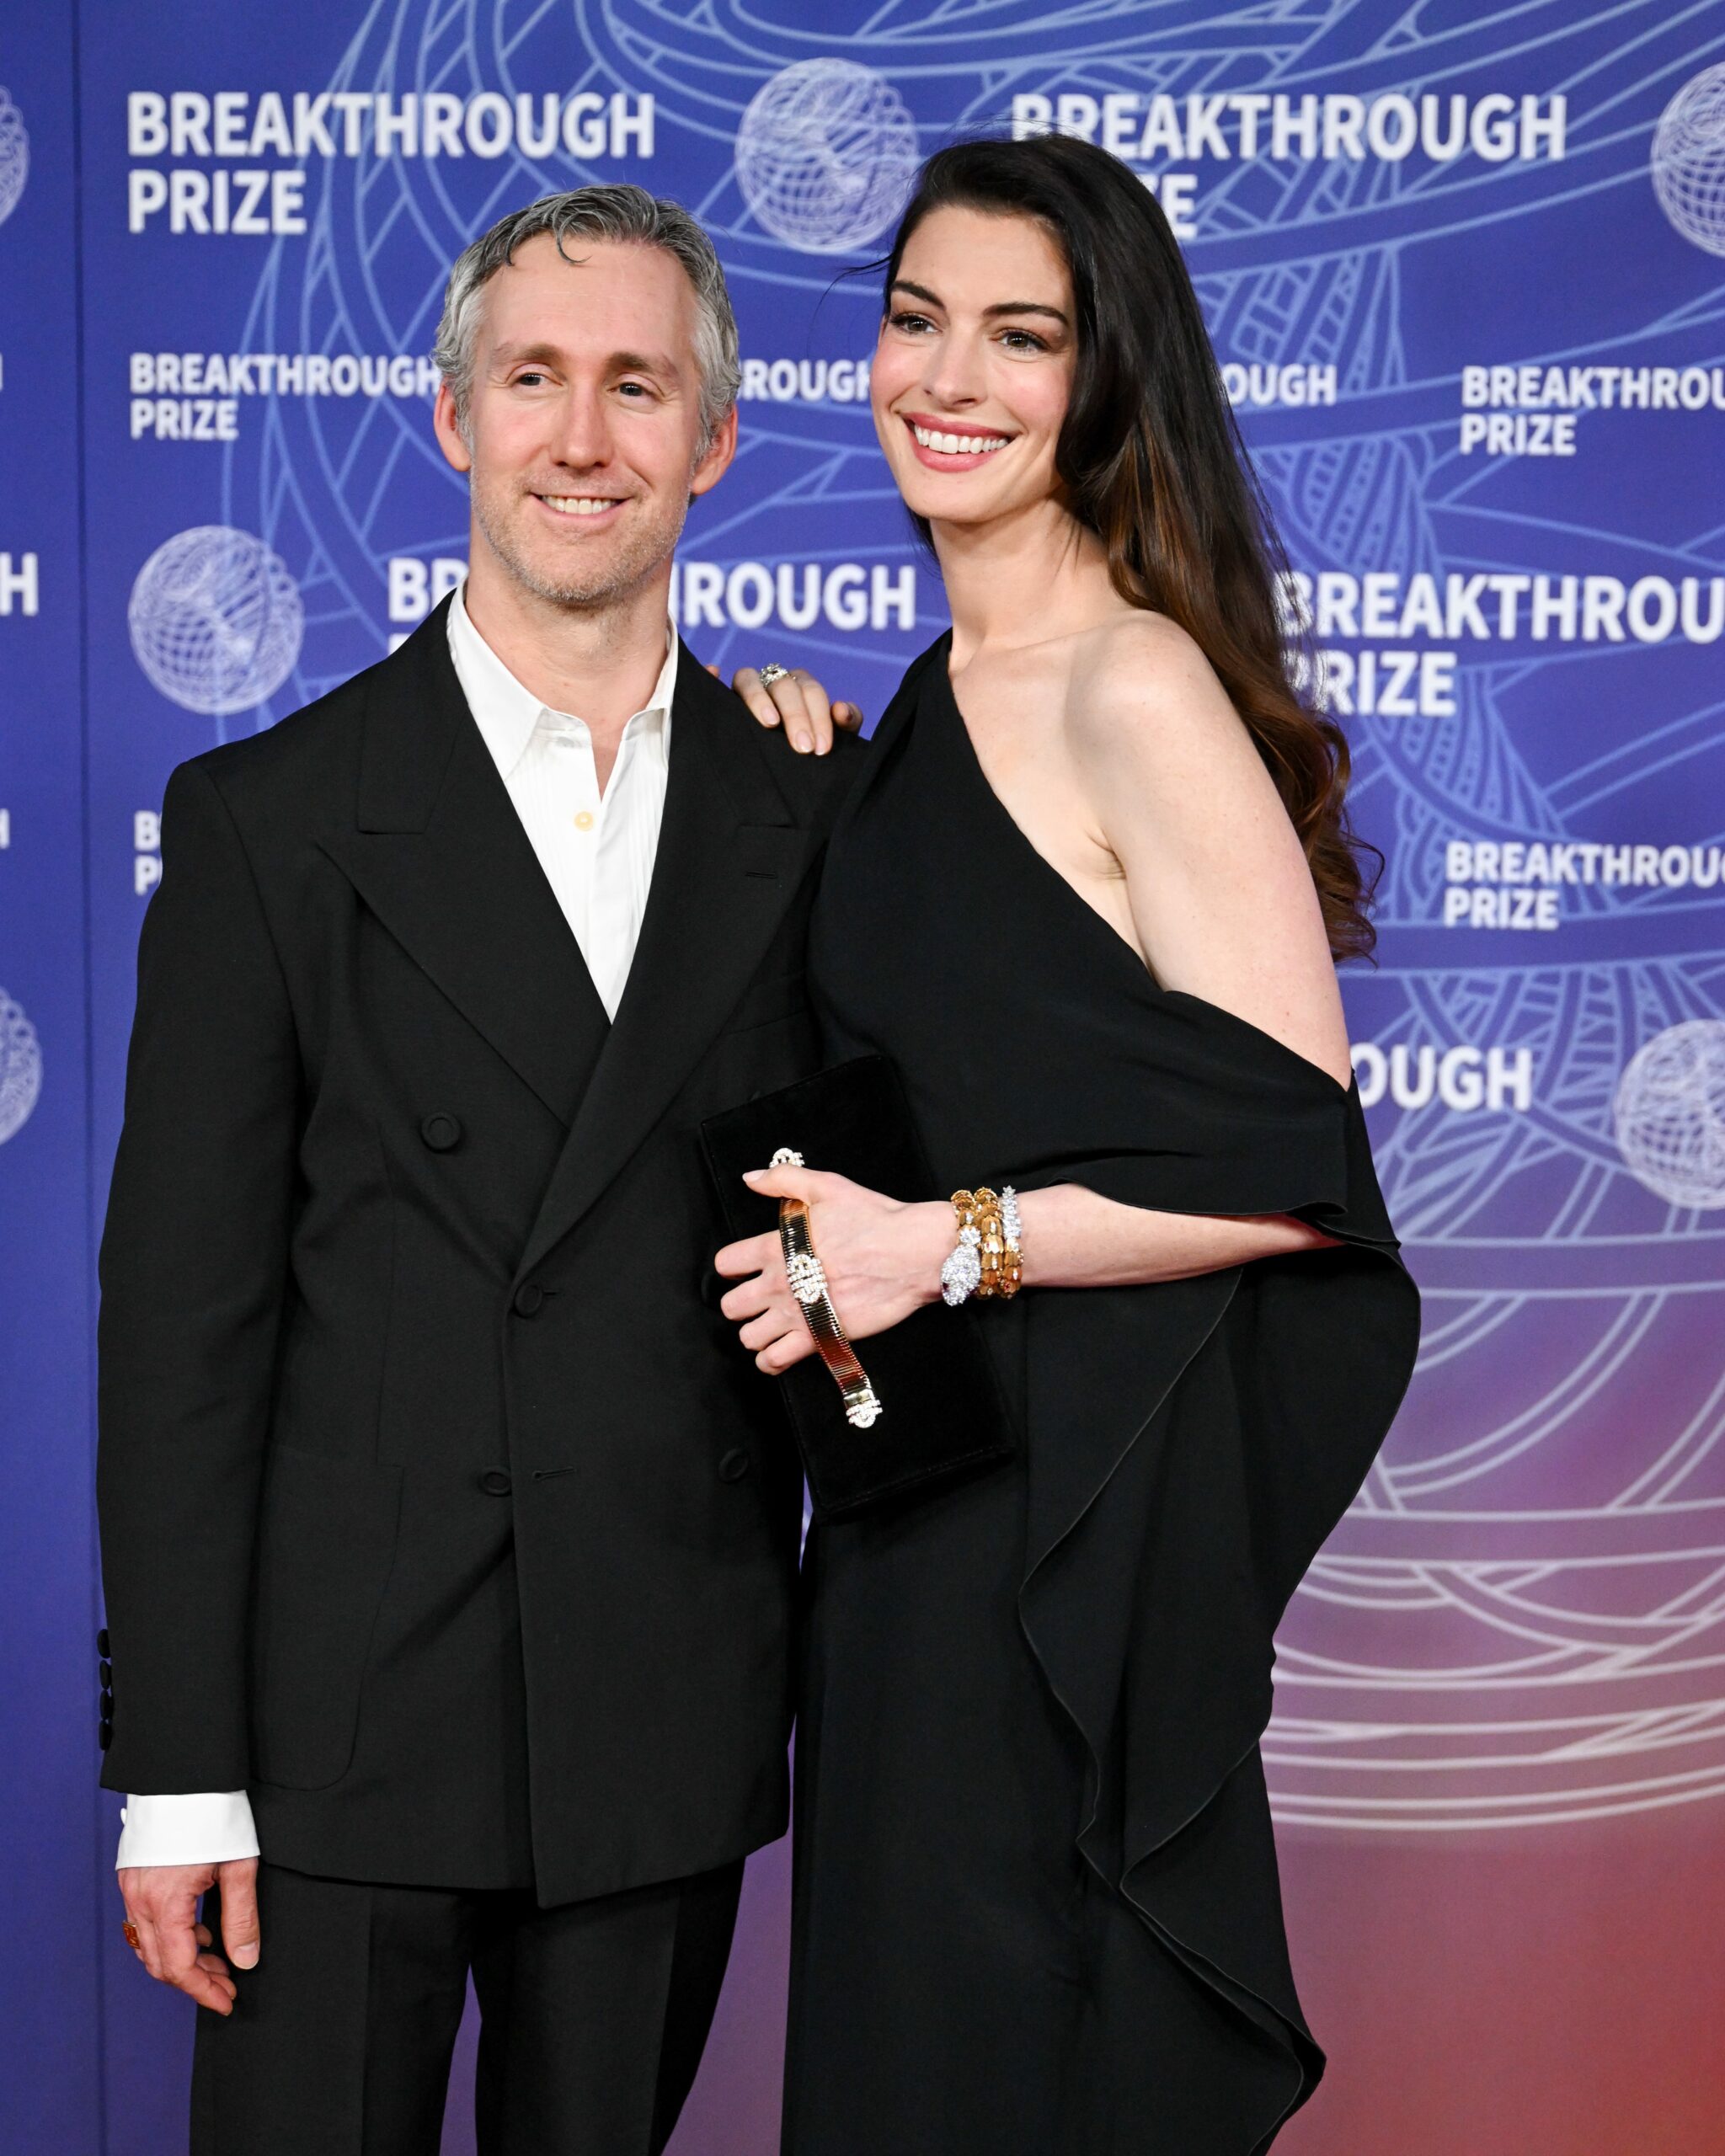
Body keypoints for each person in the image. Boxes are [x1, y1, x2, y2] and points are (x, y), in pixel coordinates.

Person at [97, 184, 862, 2156]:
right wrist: (177, 1772)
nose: (581, 437)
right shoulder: (270, 820)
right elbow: (180, 1334)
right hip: (335, 1733)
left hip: (660, 1705)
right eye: (533, 379)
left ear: (711, 437)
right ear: (455, 422)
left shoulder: (821, 806)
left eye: (636, 385)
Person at [714, 136, 1423, 2152]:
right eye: (915, 318)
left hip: (1061, 1561)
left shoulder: (1134, 683)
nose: (949, 375)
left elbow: (1297, 1166)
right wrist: (800, 771)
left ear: (1103, 378)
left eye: (1018, 335)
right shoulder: (929, 702)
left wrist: (943, 1247)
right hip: (907, 1537)